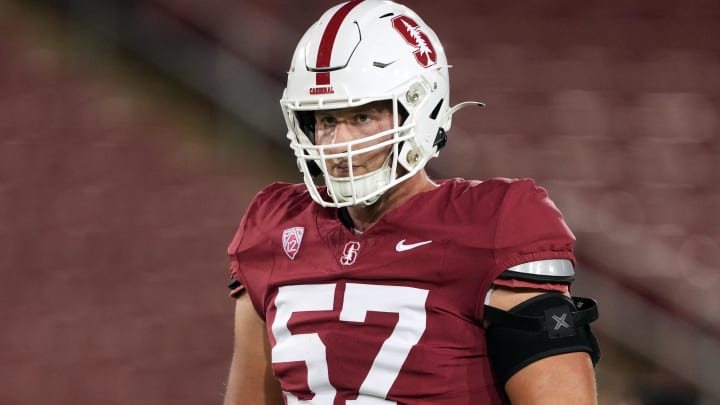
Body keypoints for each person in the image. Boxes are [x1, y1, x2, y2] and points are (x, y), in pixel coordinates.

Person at [223, 0, 601, 404]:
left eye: (362, 118)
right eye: (327, 120)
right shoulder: (274, 229)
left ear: (419, 111)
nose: (339, 144)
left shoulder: (493, 225)